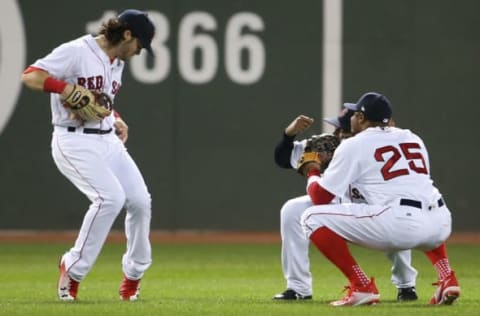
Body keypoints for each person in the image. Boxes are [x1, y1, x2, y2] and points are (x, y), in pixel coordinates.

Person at [20, 9, 155, 301]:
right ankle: (72, 269)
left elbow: (100, 101)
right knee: (110, 198)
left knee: (140, 202)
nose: (139, 51)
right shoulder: (76, 51)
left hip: (107, 139)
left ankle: (133, 277)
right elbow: (30, 76)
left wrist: (115, 116)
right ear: (127, 34)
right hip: (73, 141)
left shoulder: (117, 61)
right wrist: (64, 88)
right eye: (140, 44)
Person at [300, 92, 460, 306]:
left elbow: (320, 197)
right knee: (420, 205)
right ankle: (447, 277)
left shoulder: (354, 144)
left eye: (355, 115)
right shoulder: (412, 137)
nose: (352, 119)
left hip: (400, 222)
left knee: (311, 217)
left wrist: (312, 171)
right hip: (440, 222)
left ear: (361, 118)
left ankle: (361, 284)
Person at [273, 109, 419, 301]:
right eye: (337, 130)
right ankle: (298, 288)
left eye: (342, 129)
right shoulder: (327, 145)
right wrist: (288, 135)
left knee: (394, 222)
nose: (337, 134)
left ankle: (406, 286)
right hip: (339, 200)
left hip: (373, 203)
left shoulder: (374, 146)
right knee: (293, 210)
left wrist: (313, 173)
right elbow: (283, 159)